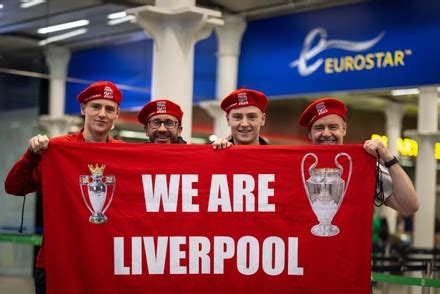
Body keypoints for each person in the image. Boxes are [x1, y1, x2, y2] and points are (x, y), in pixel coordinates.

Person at [4, 80, 124, 293]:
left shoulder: (126, 155)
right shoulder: (57, 151)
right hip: (58, 261)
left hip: (106, 261)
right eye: (95, 106)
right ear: (83, 109)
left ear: (117, 114)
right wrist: (32, 155)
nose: (102, 114)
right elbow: (14, 187)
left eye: (109, 108)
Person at [297, 97, 419, 215]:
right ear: (310, 133)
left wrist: (388, 159)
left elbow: (410, 206)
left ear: (344, 129)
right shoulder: (296, 165)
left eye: (333, 127)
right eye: (319, 128)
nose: (326, 133)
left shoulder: (364, 164)